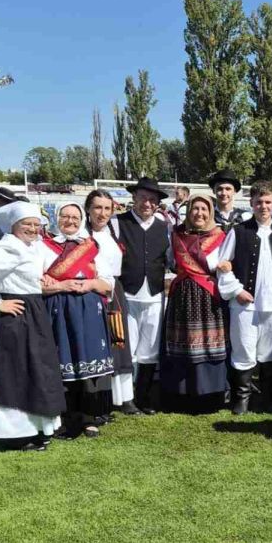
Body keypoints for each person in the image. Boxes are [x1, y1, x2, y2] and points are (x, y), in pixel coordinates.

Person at [0, 202, 66, 450]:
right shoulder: (10, 247)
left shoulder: (30, 247)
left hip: (32, 312)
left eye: (36, 224)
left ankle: (35, 427)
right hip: (16, 315)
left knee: (35, 369)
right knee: (16, 372)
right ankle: (15, 433)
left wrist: (40, 278)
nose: (33, 229)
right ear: (14, 226)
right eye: (27, 224)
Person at [40, 202, 115, 438]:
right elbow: (34, 282)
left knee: (89, 364)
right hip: (57, 312)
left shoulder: (92, 247)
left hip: (88, 311)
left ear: (82, 219)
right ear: (57, 217)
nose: (70, 221)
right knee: (61, 364)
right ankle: (61, 417)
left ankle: (89, 417)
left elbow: (108, 283)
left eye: (75, 217)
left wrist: (90, 284)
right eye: (65, 216)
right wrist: (59, 285)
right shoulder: (44, 247)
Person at [218, 180, 272, 414]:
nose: (263, 206)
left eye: (268, 202)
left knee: (269, 352)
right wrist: (236, 290)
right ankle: (241, 399)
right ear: (251, 203)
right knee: (243, 349)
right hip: (244, 303)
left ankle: (267, 399)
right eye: (259, 202)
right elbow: (222, 265)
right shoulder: (238, 231)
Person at [158, 192, 229, 412]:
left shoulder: (221, 236)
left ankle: (209, 395)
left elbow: (227, 261)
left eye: (203, 209)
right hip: (181, 295)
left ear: (210, 212)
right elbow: (170, 262)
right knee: (181, 342)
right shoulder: (177, 234)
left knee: (208, 342)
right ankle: (180, 394)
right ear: (189, 212)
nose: (199, 213)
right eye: (195, 209)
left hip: (208, 297)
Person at [111, 177, 172, 414]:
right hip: (127, 294)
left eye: (152, 200)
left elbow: (170, 261)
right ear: (134, 198)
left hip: (155, 295)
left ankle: (144, 396)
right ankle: (126, 398)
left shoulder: (164, 226)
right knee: (127, 347)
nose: (147, 203)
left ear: (157, 203)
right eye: (143, 198)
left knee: (149, 349)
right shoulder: (117, 223)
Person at [85, 189, 140, 416]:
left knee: (119, 342)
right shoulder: (80, 234)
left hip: (115, 291)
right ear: (88, 209)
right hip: (90, 292)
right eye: (98, 207)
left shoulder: (114, 230)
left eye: (107, 208)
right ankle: (99, 399)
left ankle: (124, 397)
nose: (103, 213)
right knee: (97, 345)